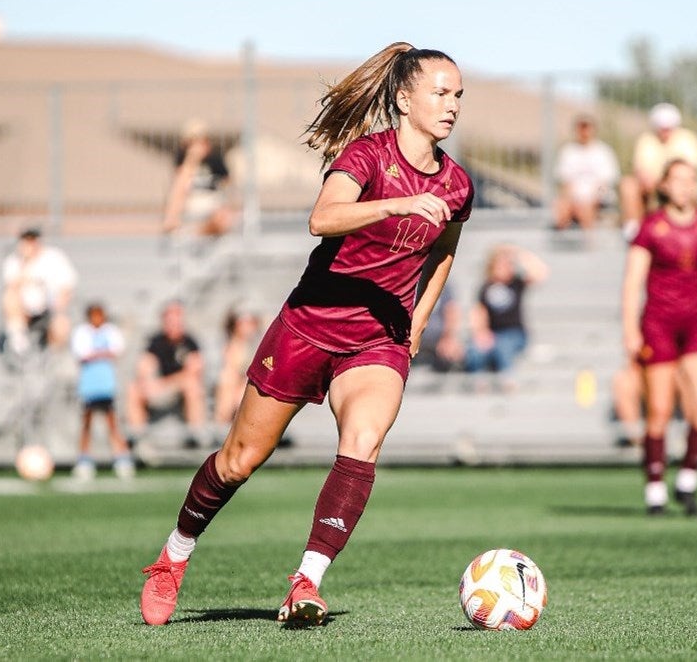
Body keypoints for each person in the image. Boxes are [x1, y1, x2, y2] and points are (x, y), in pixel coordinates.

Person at [138, 42, 473, 628]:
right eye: (440, 93)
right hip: (309, 325)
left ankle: (305, 583)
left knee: (363, 441)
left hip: (378, 338)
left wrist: (416, 324)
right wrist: (399, 204)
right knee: (239, 460)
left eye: (458, 95)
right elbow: (322, 218)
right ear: (403, 97)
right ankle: (174, 556)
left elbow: (445, 251)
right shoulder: (367, 155)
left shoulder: (456, 185)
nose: (451, 106)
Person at [621, 158, 697, 516]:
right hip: (659, 323)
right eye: (678, 180)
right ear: (665, 186)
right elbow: (633, 282)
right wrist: (629, 329)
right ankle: (655, 489)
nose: (685, 187)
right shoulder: (651, 228)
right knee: (659, 410)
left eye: (691, 180)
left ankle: (687, 480)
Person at [464, 244, 549, 390]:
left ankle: (508, 381)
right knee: (476, 349)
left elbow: (540, 273)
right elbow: (479, 312)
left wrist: (519, 253)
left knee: (503, 345)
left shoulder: (516, 283)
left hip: (515, 333)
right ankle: (478, 383)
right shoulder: (485, 287)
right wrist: (481, 333)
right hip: (493, 333)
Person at [125, 300, 208, 449]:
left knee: (192, 385)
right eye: (170, 318)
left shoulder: (190, 342)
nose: (173, 322)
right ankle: (137, 437)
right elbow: (144, 367)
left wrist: (168, 382)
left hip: (177, 388)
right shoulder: (155, 341)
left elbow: (194, 371)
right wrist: (151, 382)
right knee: (134, 388)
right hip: (160, 388)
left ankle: (195, 436)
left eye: (176, 317)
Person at [619, 103, 697, 241]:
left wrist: (672, 182)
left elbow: (690, 172)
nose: (665, 131)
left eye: (668, 128)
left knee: (681, 184)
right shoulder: (646, 140)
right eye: (662, 127)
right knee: (628, 184)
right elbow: (642, 171)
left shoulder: (688, 139)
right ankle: (634, 232)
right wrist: (662, 183)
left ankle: (689, 231)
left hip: (677, 185)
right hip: (657, 187)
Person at [70, 302, 135, 480]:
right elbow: (82, 353)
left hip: (106, 384)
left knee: (112, 423)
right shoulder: (82, 332)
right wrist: (101, 353)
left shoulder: (109, 331)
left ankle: (122, 457)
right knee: (87, 423)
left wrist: (98, 354)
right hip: (90, 385)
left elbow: (116, 350)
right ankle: (84, 458)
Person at [1, 227, 78, 354]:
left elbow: (68, 284)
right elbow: (12, 285)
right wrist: (25, 263)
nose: (30, 245)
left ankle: (54, 356)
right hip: (24, 307)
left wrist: (60, 305)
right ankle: (18, 338)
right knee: (9, 297)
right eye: (26, 241)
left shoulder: (54, 257)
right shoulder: (14, 261)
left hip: (50, 305)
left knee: (61, 325)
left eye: (33, 240)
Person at [161, 120, 238, 237]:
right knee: (179, 191)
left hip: (212, 202)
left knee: (223, 217)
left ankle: (199, 231)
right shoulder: (183, 159)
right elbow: (179, 183)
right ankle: (188, 228)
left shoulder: (215, 159)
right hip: (191, 202)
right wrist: (192, 159)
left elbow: (227, 181)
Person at [553, 114, 620, 231]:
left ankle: (589, 245)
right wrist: (572, 201)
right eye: (581, 127)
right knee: (561, 207)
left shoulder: (604, 152)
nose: (584, 131)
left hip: (597, 197)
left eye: (587, 127)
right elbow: (566, 183)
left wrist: (594, 199)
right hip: (574, 198)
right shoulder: (568, 151)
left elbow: (605, 185)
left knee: (586, 209)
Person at [212, 303, 263, 432]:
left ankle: (222, 426)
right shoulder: (228, 345)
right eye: (243, 322)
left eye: (250, 322)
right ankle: (222, 425)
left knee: (237, 388)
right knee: (227, 381)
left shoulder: (261, 345)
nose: (247, 327)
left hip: (249, 388)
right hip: (231, 389)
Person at [410, 282, 466, 373]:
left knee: (454, 355)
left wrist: (448, 338)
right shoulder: (407, 282)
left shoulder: (441, 283)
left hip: (439, 340)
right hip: (409, 338)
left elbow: (451, 311)